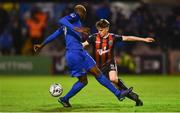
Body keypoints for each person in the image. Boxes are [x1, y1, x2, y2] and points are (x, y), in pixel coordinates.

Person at [34, 5, 132, 108]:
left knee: (96, 73)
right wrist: (77, 29)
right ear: (79, 12)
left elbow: (53, 35)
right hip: (74, 54)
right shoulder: (75, 17)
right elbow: (62, 19)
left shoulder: (67, 26)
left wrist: (42, 45)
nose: (84, 14)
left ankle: (118, 94)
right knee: (83, 81)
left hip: (81, 52)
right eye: (83, 12)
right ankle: (64, 99)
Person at [82, 19, 155, 106]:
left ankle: (132, 95)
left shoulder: (113, 37)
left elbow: (128, 38)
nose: (99, 32)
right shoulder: (93, 37)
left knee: (114, 79)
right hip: (99, 66)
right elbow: (83, 44)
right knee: (117, 86)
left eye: (101, 30)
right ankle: (135, 98)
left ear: (107, 29)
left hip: (110, 62)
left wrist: (144, 39)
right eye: (98, 30)